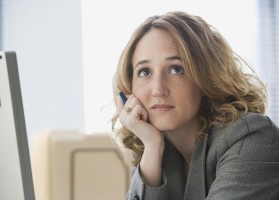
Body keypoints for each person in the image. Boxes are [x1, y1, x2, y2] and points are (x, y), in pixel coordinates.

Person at [111, 11, 279, 200]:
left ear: (207, 77)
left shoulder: (252, 138)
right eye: (144, 72)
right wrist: (151, 146)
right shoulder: (156, 147)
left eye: (176, 69)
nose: (158, 89)